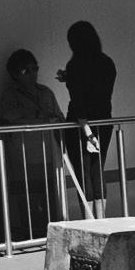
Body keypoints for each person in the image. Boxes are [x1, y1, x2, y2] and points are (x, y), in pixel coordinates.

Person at [0, 49, 64, 237]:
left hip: (47, 153)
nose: (32, 74)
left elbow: (59, 117)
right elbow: (8, 117)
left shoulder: (46, 93)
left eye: (35, 68)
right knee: (28, 199)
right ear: (15, 74)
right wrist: (38, 115)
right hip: (24, 155)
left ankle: (52, 236)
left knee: (50, 197)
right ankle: (31, 237)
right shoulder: (10, 96)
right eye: (26, 70)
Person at [56, 21, 117, 216]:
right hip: (104, 122)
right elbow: (98, 91)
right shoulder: (107, 62)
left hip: (79, 126)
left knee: (83, 174)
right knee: (97, 170)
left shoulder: (75, 65)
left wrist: (88, 133)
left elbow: (80, 102)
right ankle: (101, 219)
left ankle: (89, 221)